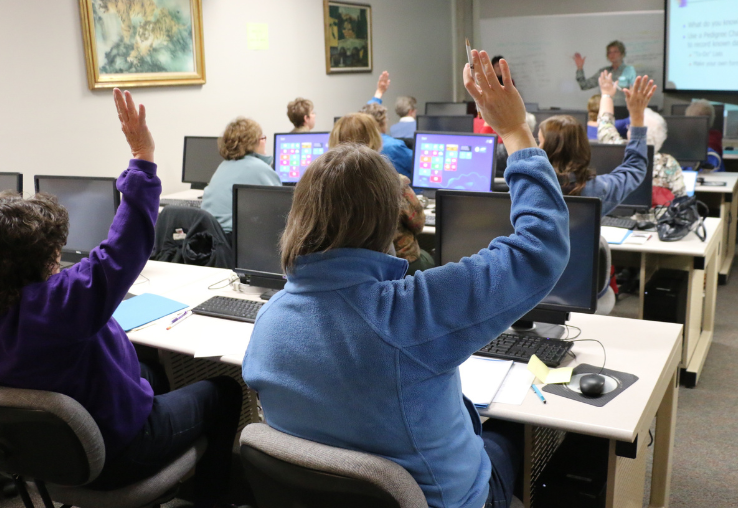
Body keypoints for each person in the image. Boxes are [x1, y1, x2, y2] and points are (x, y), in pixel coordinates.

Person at [242, 50, 570, 508]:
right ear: (387, 220)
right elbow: (541, 248)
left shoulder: (269, 322)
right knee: (518, 435)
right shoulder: (412, 312)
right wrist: (515, 131)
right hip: (446, 501)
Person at [0, 89, 241, 508]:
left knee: (149, 368)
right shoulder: (62, 303)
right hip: (117, 454)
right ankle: (212, 497)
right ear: (42, 257)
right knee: (224, 391)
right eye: (54, 251)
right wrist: (142, 155)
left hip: (45, 456)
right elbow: (123, 246)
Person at [330, 113, 434, 275]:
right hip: (397, 264)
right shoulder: (394, 182)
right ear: (375, 139)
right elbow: (418, 224)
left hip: (347, 269)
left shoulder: (324, 186)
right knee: (428, 257)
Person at [538, 75, 656, 216]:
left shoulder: (527, 188)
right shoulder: (598, 189)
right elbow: (635, 167)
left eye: (540, 142)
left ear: (550, 150)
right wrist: (637, 117)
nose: (537, 148)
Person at [597, 71, 686, 199]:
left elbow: (605, 124)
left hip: (617, 218)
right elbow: (681, 199)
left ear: (632, 134)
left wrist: (606, 94)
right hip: (659, 219)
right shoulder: (669, 164)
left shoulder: (617, 152)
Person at [201, 117, 281, 235]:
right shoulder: (258, 168)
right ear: (254, 142)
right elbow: (281, 210)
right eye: (262, 138)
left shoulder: (223, 166)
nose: (264, 142)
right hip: (237, 240)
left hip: (214, 239)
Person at [360, 102, 415, 179]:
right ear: (383, 122)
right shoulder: (394, 146)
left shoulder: (357, 142)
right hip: (398, 189)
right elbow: (417, 164)